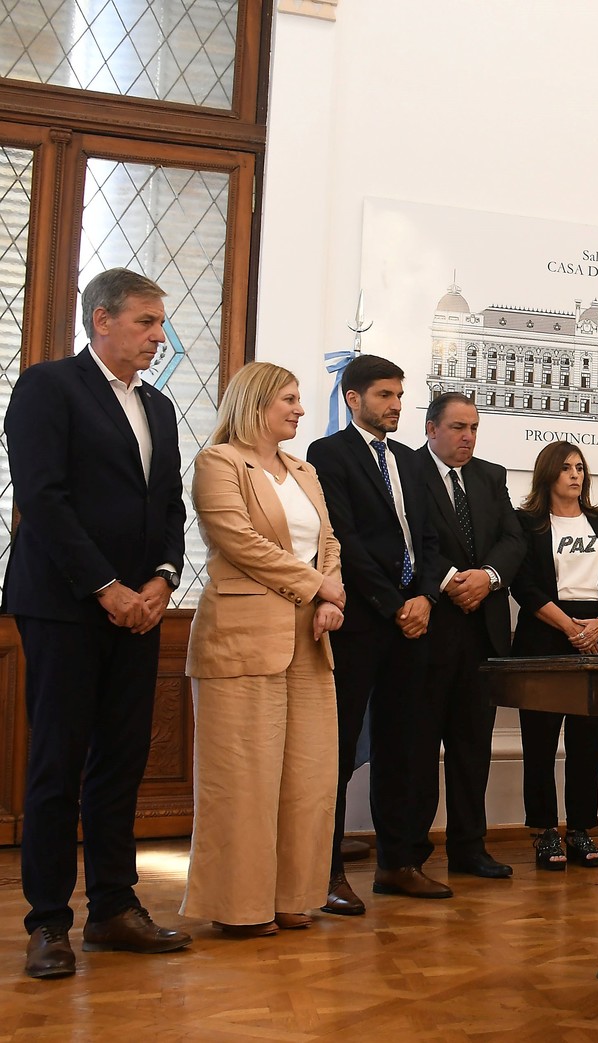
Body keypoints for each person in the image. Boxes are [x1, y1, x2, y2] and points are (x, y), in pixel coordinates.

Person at [3, 268, 192, 978]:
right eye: (146, 321)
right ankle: (48, 921)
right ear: (102, 320)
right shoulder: (49, 387)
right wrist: (106, 586)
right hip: (64, 605)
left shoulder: (161, 407)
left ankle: (114, 908)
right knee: (57, 764)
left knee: (122, 762)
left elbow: (169, 506)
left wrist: (160, 579)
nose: (157, 335)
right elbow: (43, 498)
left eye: (159, 321)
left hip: (139, 612)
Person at [181, 362, 346, 936]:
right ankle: (238, 907)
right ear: (255, 403)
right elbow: (236, 539)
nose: (301, 409)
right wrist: (314, 585)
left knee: (309, 777)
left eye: (300, 400)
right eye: (290, 399)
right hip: (241, 636)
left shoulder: (304, 469)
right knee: (243, 778)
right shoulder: (219, 462)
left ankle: (291, 895)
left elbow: (328, 540)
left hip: (310, 638)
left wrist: (332, 598)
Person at [307, 354, 446, 912]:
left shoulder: (413, 462)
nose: (395, 405)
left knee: (405, 746)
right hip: (362, 622)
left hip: (413, 621)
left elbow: (432, 543)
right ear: (353, 398)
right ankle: (326, 872)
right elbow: (344, 541)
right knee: (337, 750)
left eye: (398, 395)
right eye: (385, 395)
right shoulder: (327, 454)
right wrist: (394, 605)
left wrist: (425, 598)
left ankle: (398, 863)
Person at [409, 392, 525, 879]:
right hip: (429, 628)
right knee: (417, 747)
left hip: (483, 631)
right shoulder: (406, 470)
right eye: (458, 428)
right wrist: (453, 579)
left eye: (474, 428)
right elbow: (408, 540)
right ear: (431, 429)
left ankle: (468, 848)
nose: (468, 438)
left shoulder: (489, 475)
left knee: (471, 747)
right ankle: (410, 854)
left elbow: (513, 539)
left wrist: (489, 577)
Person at [510, 441, 598, 870]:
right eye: (565, 468)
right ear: (548, 475)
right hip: (546, 634)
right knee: (539, 740)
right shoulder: (527, 523)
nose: (575, 475)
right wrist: (569, 628)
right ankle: (544, 830)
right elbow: (524, 587)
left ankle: (580, 828)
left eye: (580, 467)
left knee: (588, 741)